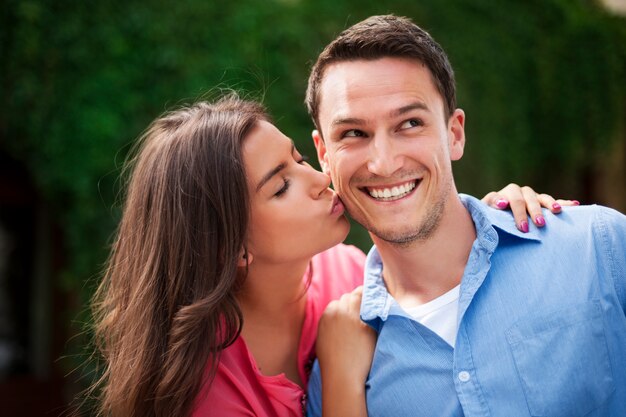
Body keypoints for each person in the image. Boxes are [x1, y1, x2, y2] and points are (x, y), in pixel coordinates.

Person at [90, 94, 569, 417]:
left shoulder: (346, 268)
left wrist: (491, 220)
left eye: (299, 159)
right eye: (281, 187)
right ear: (230, 247)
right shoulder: (209, 395)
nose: (320, 182)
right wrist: (339, 371)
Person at [306, 14, 626, 417]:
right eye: (353, 133)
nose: (383, 163)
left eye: (409, 123)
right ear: (323, 154)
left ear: (454, 133)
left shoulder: (599, 246)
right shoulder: (336, 382)